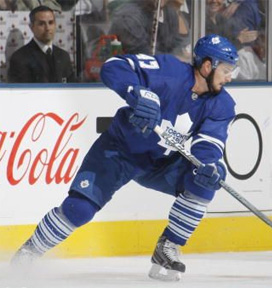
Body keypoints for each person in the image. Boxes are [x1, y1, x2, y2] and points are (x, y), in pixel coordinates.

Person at [10, 34, 239, 282]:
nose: (229, 78)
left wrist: (210, 165)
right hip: (120, 151)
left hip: (164, 162)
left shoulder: (222, 104)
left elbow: (209, 143)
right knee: (80, 208)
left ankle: (168, 246)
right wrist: (138, 92)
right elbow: (114, 66)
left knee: (203, 182)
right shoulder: (169, 71)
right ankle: (29, 251)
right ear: (207, 66)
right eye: (226, 70)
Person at [7, 5, 75, 83]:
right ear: (31, 27)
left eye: (51, 22)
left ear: (55, 25)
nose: (48, 28)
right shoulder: (20, 58)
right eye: (42, 24)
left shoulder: (64, 56)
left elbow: (71, 89)